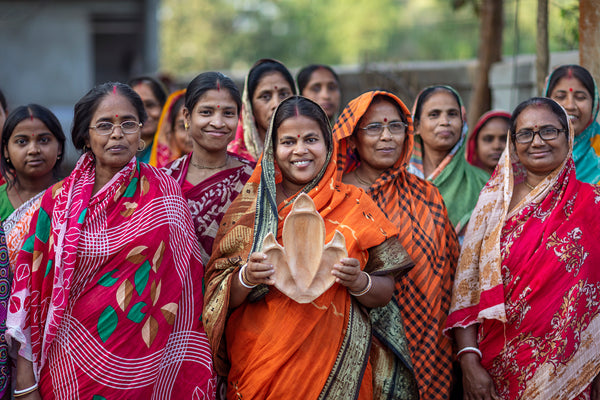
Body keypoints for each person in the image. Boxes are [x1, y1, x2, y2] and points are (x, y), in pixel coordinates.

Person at [7, 82, 215, 399]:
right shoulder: (57, 203)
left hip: (149, 366)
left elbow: (186, 285)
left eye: (128, 124)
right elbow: (28, 292)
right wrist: (25, 383)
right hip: (68, 369)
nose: (117, 134)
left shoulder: (165, 193)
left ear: (142, 132)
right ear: (85, 137)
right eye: (104, 125)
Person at [204, 95, 413, 399]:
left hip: (337, 366)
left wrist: (359, 281)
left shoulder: (354, 203)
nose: (300, 151)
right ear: (273, 150)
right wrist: (247, 277)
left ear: (328, 145)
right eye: (288, 141)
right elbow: (218, 298)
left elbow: (385, 292)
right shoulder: (250, 210)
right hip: (261, 367)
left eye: (311, 139)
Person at [446, 97, 600, 399]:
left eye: (549, 131)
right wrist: (468, 361)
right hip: (496, 374)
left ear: (568, 136)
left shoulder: (593, 203)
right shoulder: (492, 207)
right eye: (526, 133)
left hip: (575, 374)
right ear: (513, 143)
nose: (537, 141)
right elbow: (467, 291)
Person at [333, 90, 460, 399]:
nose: (386, 137)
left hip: (428, 341)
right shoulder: (335, 197)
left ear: (407, 133)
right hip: (353, 345)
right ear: (352, 138)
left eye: (396, 127)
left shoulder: (426, 195)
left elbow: (449, 276)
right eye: (374, 127)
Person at [163, 72, 254, 265]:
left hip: (235, 290)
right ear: (187, 116)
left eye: (228, 113)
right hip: (173, 292)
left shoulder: (254, 179)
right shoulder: (165, 180)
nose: (218, 123)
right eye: (206, 112)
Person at [408, 85, 490, 237]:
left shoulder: (484, 184)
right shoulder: (397, 182)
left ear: (463, 122)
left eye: (452, 114)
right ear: (417, 125)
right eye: (434, 115)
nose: (445, 121)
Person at [0, 105, 66, 271]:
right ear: (6, 150)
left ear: (59, 146)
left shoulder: (74, 196)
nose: (33, 150)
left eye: (43, 140)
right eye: (22, 142)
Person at [227, 59, 296, 161]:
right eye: (265, 96)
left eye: (284, 94)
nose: (276, 104)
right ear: (249, 106)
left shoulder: (315, 153)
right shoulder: (233, 163)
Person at [544, 64, 600, 184]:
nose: (570, 106)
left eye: (580, 97)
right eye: (560, 96)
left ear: (595, 104)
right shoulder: (529, 150)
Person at [149, 89, 193, 168]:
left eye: (199, 126)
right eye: (183, 127)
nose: (192, 134)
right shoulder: (162, 174)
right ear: (171, 131)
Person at [129, 76, 168, 163]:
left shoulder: (176, 148)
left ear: (164, 107)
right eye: (136, 107)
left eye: (150, 105)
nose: (144, 113)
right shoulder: (118, 149)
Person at [466, 110, 511, 175]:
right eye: (488, 139)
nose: (496, 146)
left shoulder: (527, 183)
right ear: (476, 146)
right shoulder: (465, 182)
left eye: (505, 139)